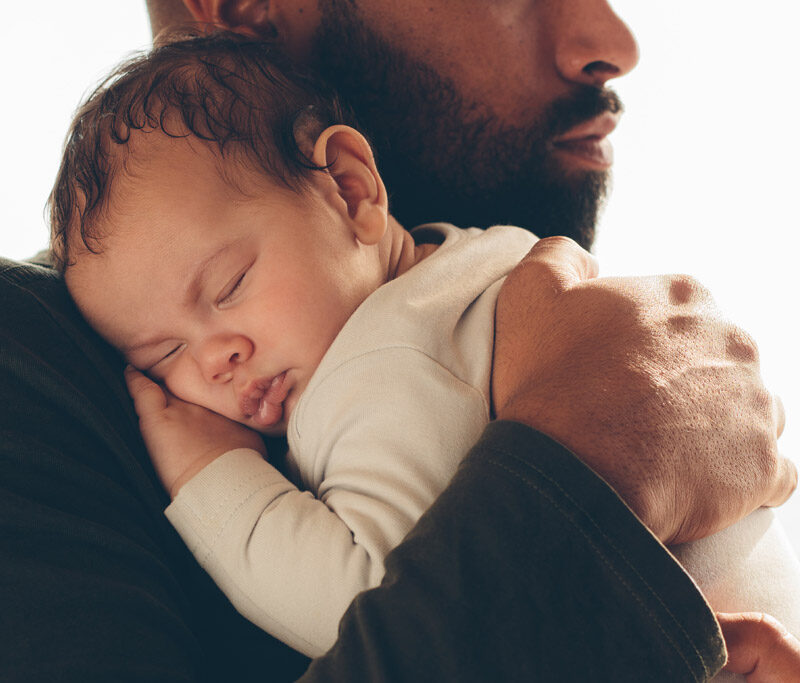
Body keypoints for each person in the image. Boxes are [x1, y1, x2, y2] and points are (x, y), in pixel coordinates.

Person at [0, 0, 795, 680]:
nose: (611, 40)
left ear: (351, 186)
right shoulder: (31, 370)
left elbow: (350, 593)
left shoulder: (397, 340)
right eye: (159, 359)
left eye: (231, 285)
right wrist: (605, 448)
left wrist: (211, 476)